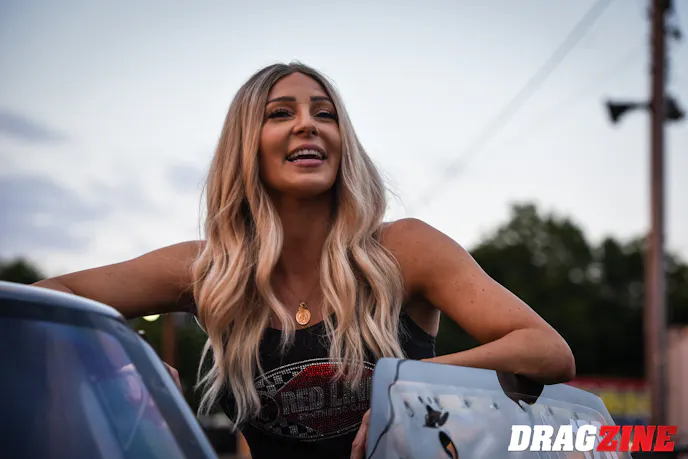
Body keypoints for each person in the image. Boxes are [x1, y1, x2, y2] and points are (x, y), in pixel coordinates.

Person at [34, 62, 576, 459]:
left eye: (324, 114)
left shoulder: (404, 250)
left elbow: (547, 351)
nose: (307, 124)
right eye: (280, 114)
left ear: (343, 142)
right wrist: (122, 356)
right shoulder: (210, 269)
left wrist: (405, 388)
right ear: (247, 145)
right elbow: (50, 296)